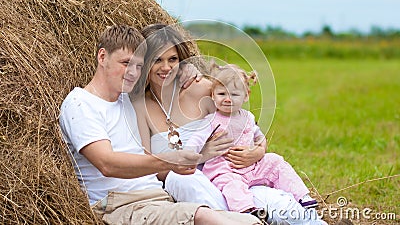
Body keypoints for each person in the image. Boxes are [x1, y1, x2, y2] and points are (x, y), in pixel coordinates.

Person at [59, 24, 261, 225]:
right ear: (102, 57)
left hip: (156, 197)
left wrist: (186, 68)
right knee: (203, 216)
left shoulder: (128, 101)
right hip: (119, 205)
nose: (132, 72)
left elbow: (164, 78)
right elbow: (107, 164)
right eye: (125, 63)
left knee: (249, 222)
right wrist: (171, 161)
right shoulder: (81, 104)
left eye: (139, 66)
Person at [133, 23, 328, 225]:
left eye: (172, 59)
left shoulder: (201, 89)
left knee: (282, 207)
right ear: (145, 62)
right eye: (157, 60)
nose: (166, 67)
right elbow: (146, 165)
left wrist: (259, 151)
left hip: (235, 179)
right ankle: (241, 219)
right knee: (179, 179)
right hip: (196, 188)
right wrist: (201, 156)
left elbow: (244, 126)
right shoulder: (140, 106)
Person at [185, 63, 318, 214]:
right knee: (232, 185)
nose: (228, 99)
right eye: (222, 94)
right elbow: (195, 141)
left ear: (246, 96)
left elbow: (259, 137)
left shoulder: (248, 117)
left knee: (275, 160)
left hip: (252, 167)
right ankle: (246, 210)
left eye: (234, 95)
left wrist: (260, 150)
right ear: (213, 96)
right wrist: (189, 154)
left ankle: (302, 196)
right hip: (225, 169)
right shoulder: (211, 120)